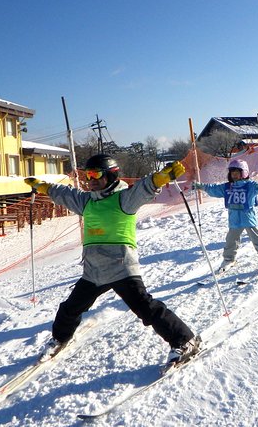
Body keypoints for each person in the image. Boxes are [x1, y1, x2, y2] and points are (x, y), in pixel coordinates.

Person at [24, 154, 199, 366]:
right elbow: (65, 194)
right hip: (94, 271)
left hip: (121, 268)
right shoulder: (86, 201)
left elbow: (143, 189)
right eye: (88, 175)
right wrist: (44, 187)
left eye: (96, 174)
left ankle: (185, 340)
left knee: (145, 308)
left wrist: (160, 178)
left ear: (111, 175)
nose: (92, 180)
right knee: (70, 308)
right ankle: (59, 338)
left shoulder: (123, 199)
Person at [192, 159, 258, 273]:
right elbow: (214, 189)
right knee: (231, 241)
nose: (234, 175)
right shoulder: (227, 187)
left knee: (257, 239)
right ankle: (229, 259)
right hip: (234, 219)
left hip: (248, 218)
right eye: (232, 173)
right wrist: (201, 186)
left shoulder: (250, 186)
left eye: (237, 173)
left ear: (244, 173)